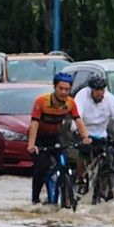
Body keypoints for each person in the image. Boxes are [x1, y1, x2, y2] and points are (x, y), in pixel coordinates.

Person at [25, 72, 88, 204]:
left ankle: (67, 193)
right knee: (42, 166)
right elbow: (34, 124)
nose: (63, 92)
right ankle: (35, 199)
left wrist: (85, 138)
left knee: (64, 163)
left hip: (55, 136)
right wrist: (31, 145)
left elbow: (78, 121)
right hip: (38, 138)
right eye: (61, 88)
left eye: (67, 89)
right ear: (54, 88)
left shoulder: (70, 103)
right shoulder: (41, 101)